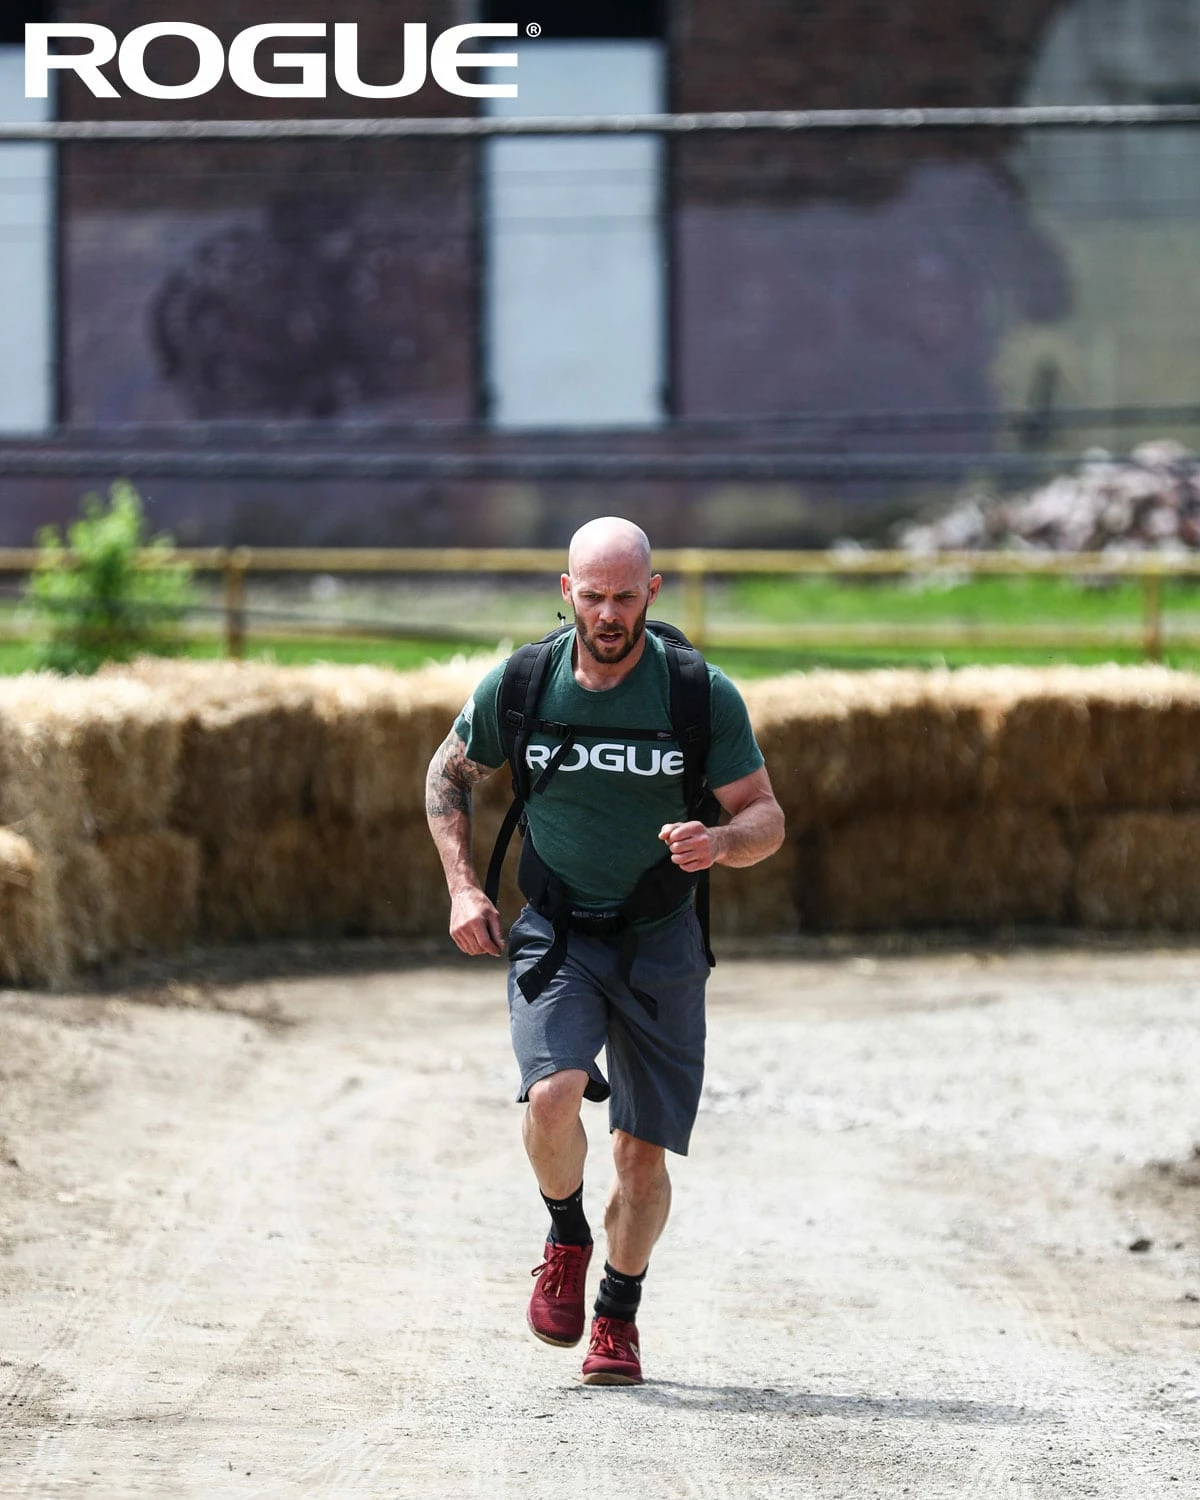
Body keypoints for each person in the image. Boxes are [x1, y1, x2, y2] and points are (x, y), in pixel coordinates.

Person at [425, 517, 785, 1385]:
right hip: (556, 930)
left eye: (626, 596)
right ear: (567, 592)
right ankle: (566, 1237)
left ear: (652, 593)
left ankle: (618, 1316)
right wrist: (464, 887)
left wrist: (720, 843)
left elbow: (765, 815)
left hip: (662, 941)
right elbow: (447, 774)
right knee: (552, 1095)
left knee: (638, 1152)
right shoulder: (523, 682)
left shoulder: (699, 694)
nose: (610, 614)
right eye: (594, 596)